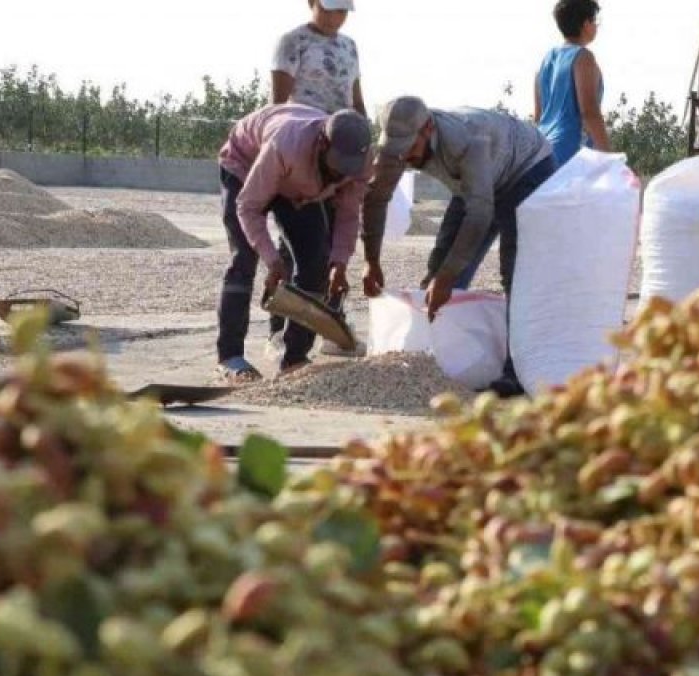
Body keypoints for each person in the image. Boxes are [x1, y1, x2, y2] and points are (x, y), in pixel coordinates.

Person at [360, 97, 556, 397]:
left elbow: (480, 214)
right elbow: (376, 198)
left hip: (525, 167)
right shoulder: (396, 149)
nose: (404, 156)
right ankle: (436, 358)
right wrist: (371, 260)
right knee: (438, 269)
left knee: (515, 272)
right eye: (397, 147)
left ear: (427, 129)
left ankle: (517, 373)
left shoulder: (467, 141)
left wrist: (448, 276)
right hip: (474, 183)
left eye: (409, 146)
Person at [215, 103, 371, 383]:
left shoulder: (361, 161)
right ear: (322, 143)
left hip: (299, 187)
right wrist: (272, 259)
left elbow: (348, 214)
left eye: (346, 170)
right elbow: (249, 207)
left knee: (316, 263)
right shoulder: (286, 144)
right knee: (244, 258)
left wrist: (339, 263)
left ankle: (294, 358)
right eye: (336, 166)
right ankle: (230, 357)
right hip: (246, 166)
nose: (339, 176)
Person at [265, 0, 367, 357]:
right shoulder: (293, 42)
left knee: (334, 238)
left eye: (343, 11)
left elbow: (355, 100)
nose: (337, 17)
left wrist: (364, 143)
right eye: (330, 9)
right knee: (299, 242)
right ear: (312, 3)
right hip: (303, 151)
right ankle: (282, 331)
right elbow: (277, 105)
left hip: (341, 153)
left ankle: (328, 321)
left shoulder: (349, 46)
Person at [535, 0, 611, 167]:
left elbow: (539, 116)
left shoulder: (546, 61)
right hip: (570, 152)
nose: (597, 26)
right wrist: (609, 159)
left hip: (541, 151)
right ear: (586, 24)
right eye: (595, 21)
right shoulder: (583, 57)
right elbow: (589, 111)